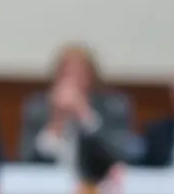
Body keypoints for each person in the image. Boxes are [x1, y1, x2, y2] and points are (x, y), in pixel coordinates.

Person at [21, 43, 132, 180]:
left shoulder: (113, 106)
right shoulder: (38, 108)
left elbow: (117, 159)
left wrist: (85, 116)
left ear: (91, 77)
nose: (72, 81)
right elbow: (27, 162)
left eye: (79, 74)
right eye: (66, 74)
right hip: (48, 190)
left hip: (95, 191)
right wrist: (56, 123)